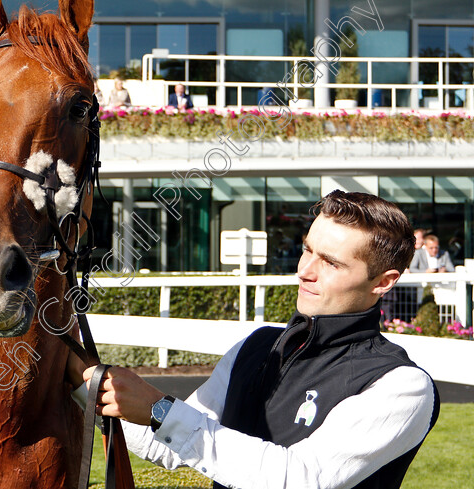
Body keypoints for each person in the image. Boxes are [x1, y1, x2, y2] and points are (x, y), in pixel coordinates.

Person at [71, 190, 439, 489]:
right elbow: (167, 445)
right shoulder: (256, 346)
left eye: (331, 263)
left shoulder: (401, 385)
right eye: (307, 249)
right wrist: (81, 376)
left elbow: (299, 480)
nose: (304, 271)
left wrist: (161, 411)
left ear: (383, 281)